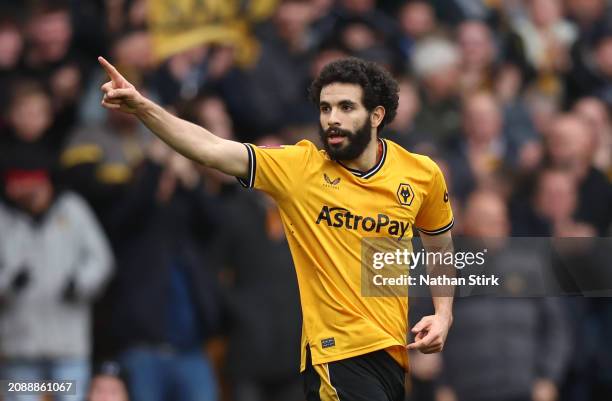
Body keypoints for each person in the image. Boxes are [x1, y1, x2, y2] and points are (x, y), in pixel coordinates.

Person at [98, 55, 455, 401]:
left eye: (346, 107)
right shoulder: (300, 169)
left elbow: (439, 245)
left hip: (391, 354)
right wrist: (144, 107)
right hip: (335, 354)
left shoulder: (420, 174)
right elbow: (209, 148)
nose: (331, 118)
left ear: (377, 115)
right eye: (325, 107)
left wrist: (443, 313)